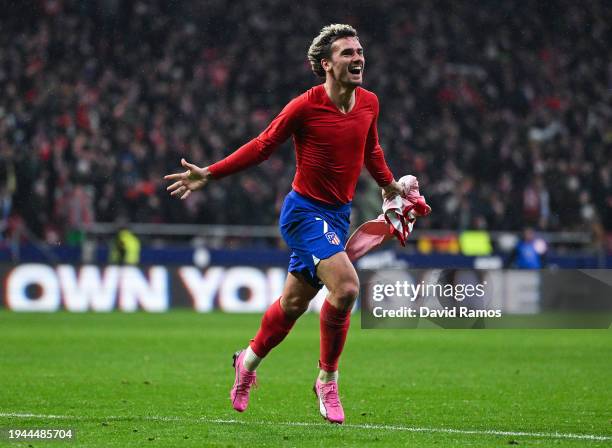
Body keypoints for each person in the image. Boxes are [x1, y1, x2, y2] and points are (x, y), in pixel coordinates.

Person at [165, 24, 402, 424]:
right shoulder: (304, 107)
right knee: (345, 289)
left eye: (359, 51)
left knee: (293, 305)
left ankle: (247, 362)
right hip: (303, 213)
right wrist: (210, 173)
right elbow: (261, 146)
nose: (358, 58)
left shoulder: (369, 103)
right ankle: (327, 380)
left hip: (337, 218)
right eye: (347, 53)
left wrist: (391, 187)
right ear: (326, 64)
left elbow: (371, 148)